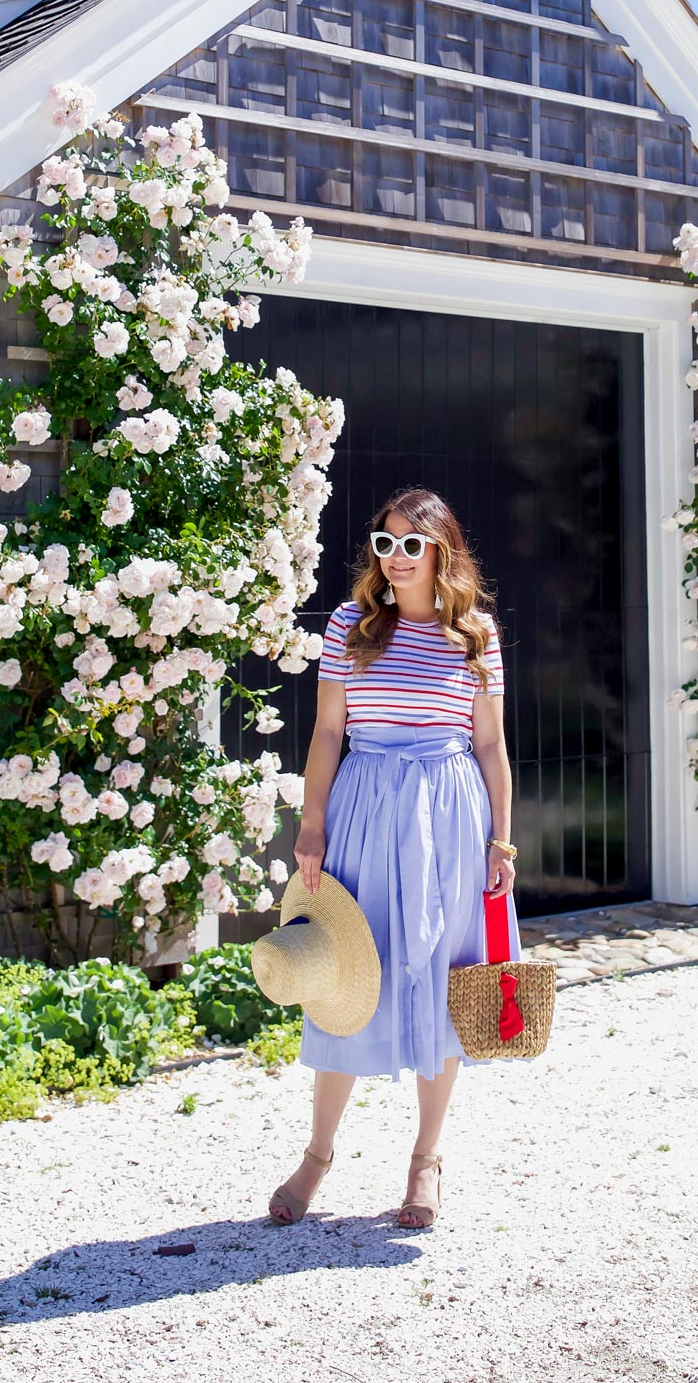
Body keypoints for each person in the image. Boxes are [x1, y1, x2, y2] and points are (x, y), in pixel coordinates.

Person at [268, 485, 519, 1231]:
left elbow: (490, 745)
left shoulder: (475, 634)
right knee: (345, 973)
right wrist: (310, 826)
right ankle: (317, 1155)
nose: (398, 557)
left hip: (448, 814)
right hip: (365, 810)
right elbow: (325, 737)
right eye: (385, 543)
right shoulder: (352, 623)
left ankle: (426, 1161)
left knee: (442, 980)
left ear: (442, 549)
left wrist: (501, 838)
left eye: (413, 543)